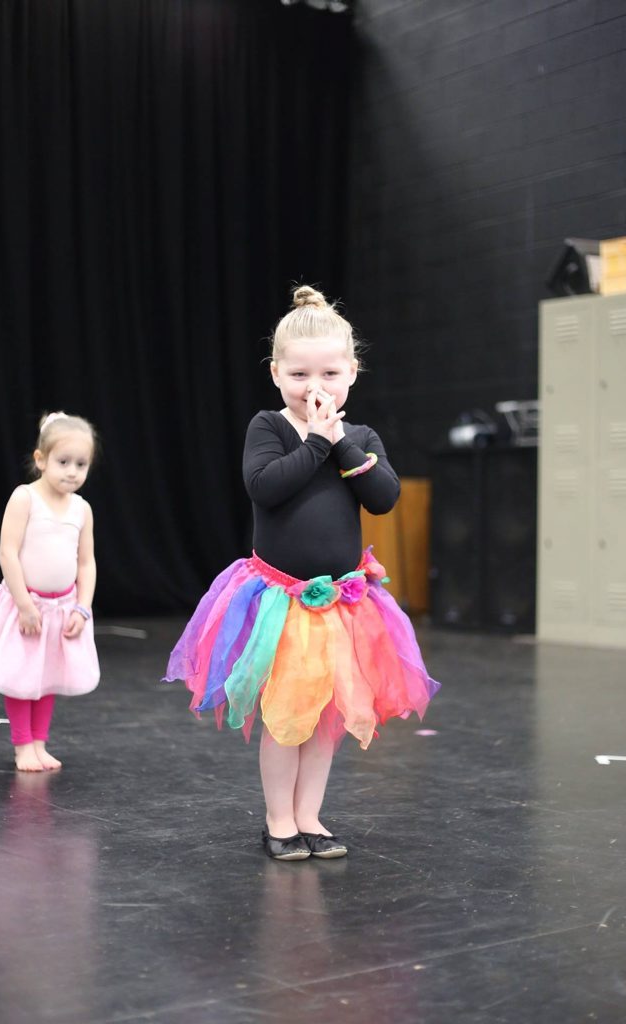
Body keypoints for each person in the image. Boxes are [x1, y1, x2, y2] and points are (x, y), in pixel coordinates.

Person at [165, 286, 439, 860]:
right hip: (278, 602)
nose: (315, 388)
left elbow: (383, 496)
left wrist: (339, 444)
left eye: (330, 373)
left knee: (324, 721)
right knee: (284, 717)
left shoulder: (359, 439)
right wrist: (314, 440)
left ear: (353, 374)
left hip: (342, 603)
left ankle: (311, 815)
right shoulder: (268, 427)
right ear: (275, 373)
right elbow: (265, 487)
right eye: (299, 374)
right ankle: (279, 819)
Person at [0, 412, 100, 772]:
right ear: (41, 460)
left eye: (81, 464)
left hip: (60, 608)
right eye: (63, 462)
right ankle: (22, 746)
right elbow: (7, 552)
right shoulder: (25, 498)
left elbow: (86, 563)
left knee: (47, 677)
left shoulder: (82, 509)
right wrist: (23, 603)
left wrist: (82, 608)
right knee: (21, 678)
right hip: (25, 605)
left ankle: (40, 743)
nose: (72, 472)